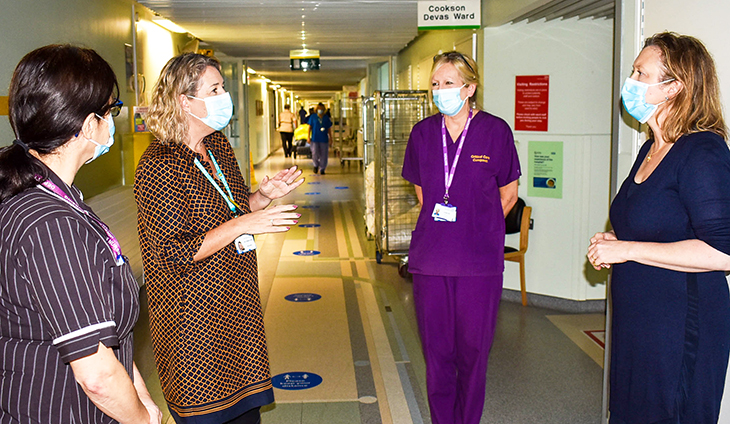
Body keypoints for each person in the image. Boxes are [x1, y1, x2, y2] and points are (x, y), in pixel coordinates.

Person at [134, 52, 303, 424]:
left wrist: (263, 196)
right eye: (215, 89)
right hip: (194, 324)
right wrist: (245, 224)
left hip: (237, 310)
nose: (224, 95)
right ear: (184, 100)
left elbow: (236, 208)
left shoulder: (218, 147)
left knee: (248, 415)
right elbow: (176, 251)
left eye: (222, 87)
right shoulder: (159, 165)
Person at [0, 45, 161, 424]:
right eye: (111, 111)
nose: (112, 122)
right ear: (89, 125)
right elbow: (98, 377)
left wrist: (143, 401)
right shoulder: (50, 225)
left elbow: (103, 339)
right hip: (60, 410)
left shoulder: (48, 197)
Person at [587, 32, 730, 424]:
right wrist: (616, 241)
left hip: (680, 327)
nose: (629, 81)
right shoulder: (650, 148)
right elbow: (657, 228)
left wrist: (629, 250)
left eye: (639, 72)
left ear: (674, 88)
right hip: (639, 324)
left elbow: (722, 252)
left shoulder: (702, 150)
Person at [401, 51, 520, 424]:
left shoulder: (495, 130)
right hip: (431, 261)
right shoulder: (422, 133)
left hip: (479, 264)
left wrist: (477, 227)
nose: (440, 91)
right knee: (437, 356)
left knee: (473, 354)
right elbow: (424, 193)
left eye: (448, 83)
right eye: (435, 84)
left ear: (469, 88)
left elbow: (509, 194)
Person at [307, 102, 333, 174]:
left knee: (324, 154)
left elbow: (329, 129)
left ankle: (322, 168)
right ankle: (316, 165)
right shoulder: (313, 117)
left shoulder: (326, 118)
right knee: (315, 153)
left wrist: (331, 138)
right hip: (315, 138)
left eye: (321, 109)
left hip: (324, 139)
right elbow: (309, 127)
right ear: (316, 109)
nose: (320, 110)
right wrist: (308, 137)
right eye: (319, 109)